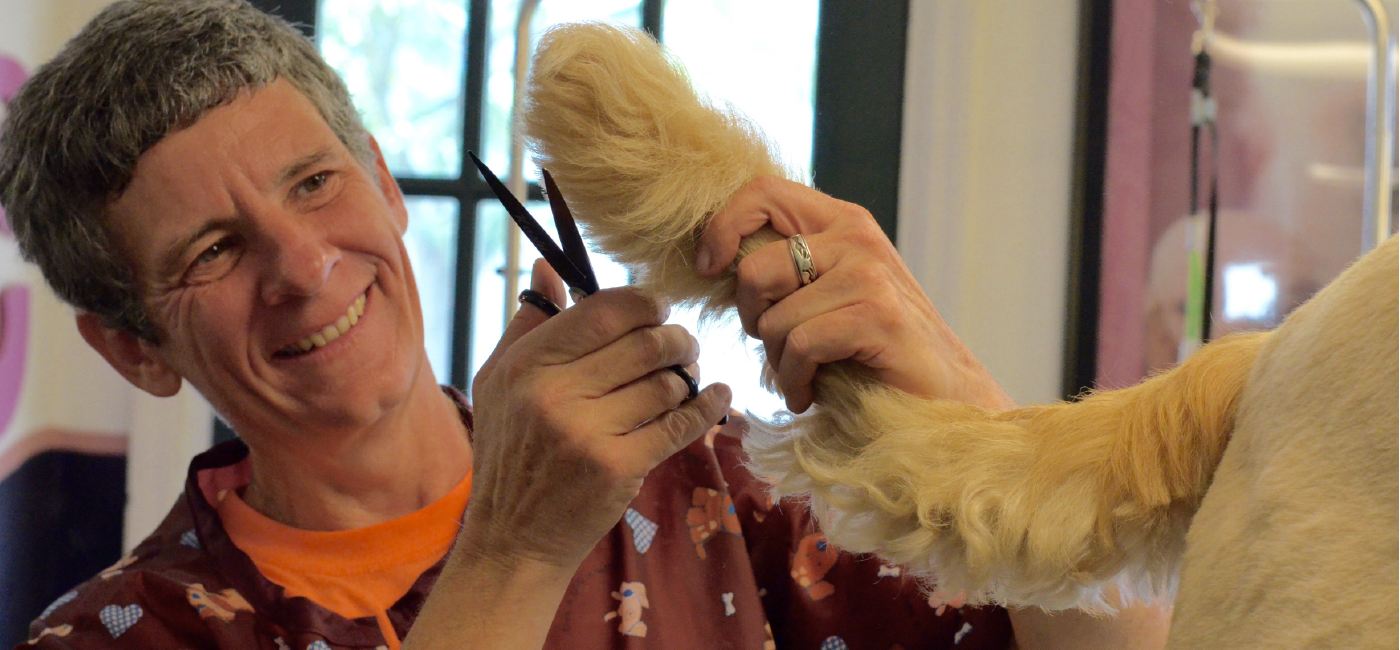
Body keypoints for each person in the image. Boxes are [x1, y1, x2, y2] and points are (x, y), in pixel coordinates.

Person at [0, 1, 1169, 648]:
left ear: (384, 181)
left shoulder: (706, 494)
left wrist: (964, 410)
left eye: (314, 183)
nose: (304, 265)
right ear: (132, 348)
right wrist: (511, 547)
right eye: (212, 249)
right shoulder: (118, 638)